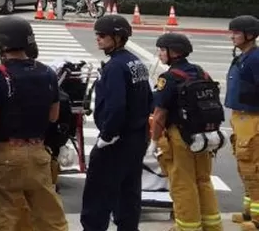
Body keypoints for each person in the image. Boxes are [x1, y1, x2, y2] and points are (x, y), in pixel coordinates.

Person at [0, 16, 67, 231]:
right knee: (50, 218)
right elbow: (54, 115)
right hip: (38, 153)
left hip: (5, 154)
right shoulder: (47, 73)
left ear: (1, 43)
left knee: (3, 218)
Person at [80, 15, 152, 231]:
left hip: (116, 141)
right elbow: (149, 99)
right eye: (97, 35)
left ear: (118, 37)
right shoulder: (135, 62)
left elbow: (116, 106)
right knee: (129, 191)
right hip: (136, 137)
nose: (98, 39)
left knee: (98, 193)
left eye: (102, 35)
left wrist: (107, 136)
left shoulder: (114, 67)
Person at [151, 32, 223, 231]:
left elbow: (159, 115)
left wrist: (154, 141)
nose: (159, 54)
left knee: (183, 183)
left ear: (173, 52)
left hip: (179, 136)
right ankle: (212, 225)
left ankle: (188, 227)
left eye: (162, 50)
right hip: (203, 136)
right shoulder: (201, 72)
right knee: (203, 180)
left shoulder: (168, 77)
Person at [225, 15, 259, 226]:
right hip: (240, 117)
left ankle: (257, 218)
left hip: (252, 118)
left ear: (250, 35)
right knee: (243, 167)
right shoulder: (243, 57)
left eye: (236, 33)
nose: (233, 37)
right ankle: (248, 211)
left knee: (253, 169)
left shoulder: (255, 59)